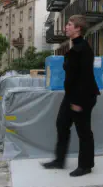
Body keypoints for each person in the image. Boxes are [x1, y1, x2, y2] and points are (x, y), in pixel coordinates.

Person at [42, 15, 100, 177]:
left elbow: (85, 78)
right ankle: (59, 161)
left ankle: (86, 165)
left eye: (69, 24)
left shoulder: (83, 49)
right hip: (71, 95)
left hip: (83, 97)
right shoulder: (74, 46)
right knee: (61, 124)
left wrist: (77, 102)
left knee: (84, 131)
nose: (66, 27)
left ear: (78, 28)